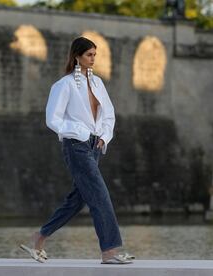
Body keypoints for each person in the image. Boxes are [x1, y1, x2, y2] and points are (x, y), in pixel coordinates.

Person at [20, 37, 133, 265]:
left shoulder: (98, 83)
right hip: (76, 146)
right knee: (100, 195)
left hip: (95, 147)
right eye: (89, 55)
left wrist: (103, 136)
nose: (93, 59)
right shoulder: (64, 85)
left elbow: (108, 114)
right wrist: (79, 132)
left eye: (95, 55)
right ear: (77, 56)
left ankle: (38, 239)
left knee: (78, 199)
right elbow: (53, 119)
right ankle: (110, 251)